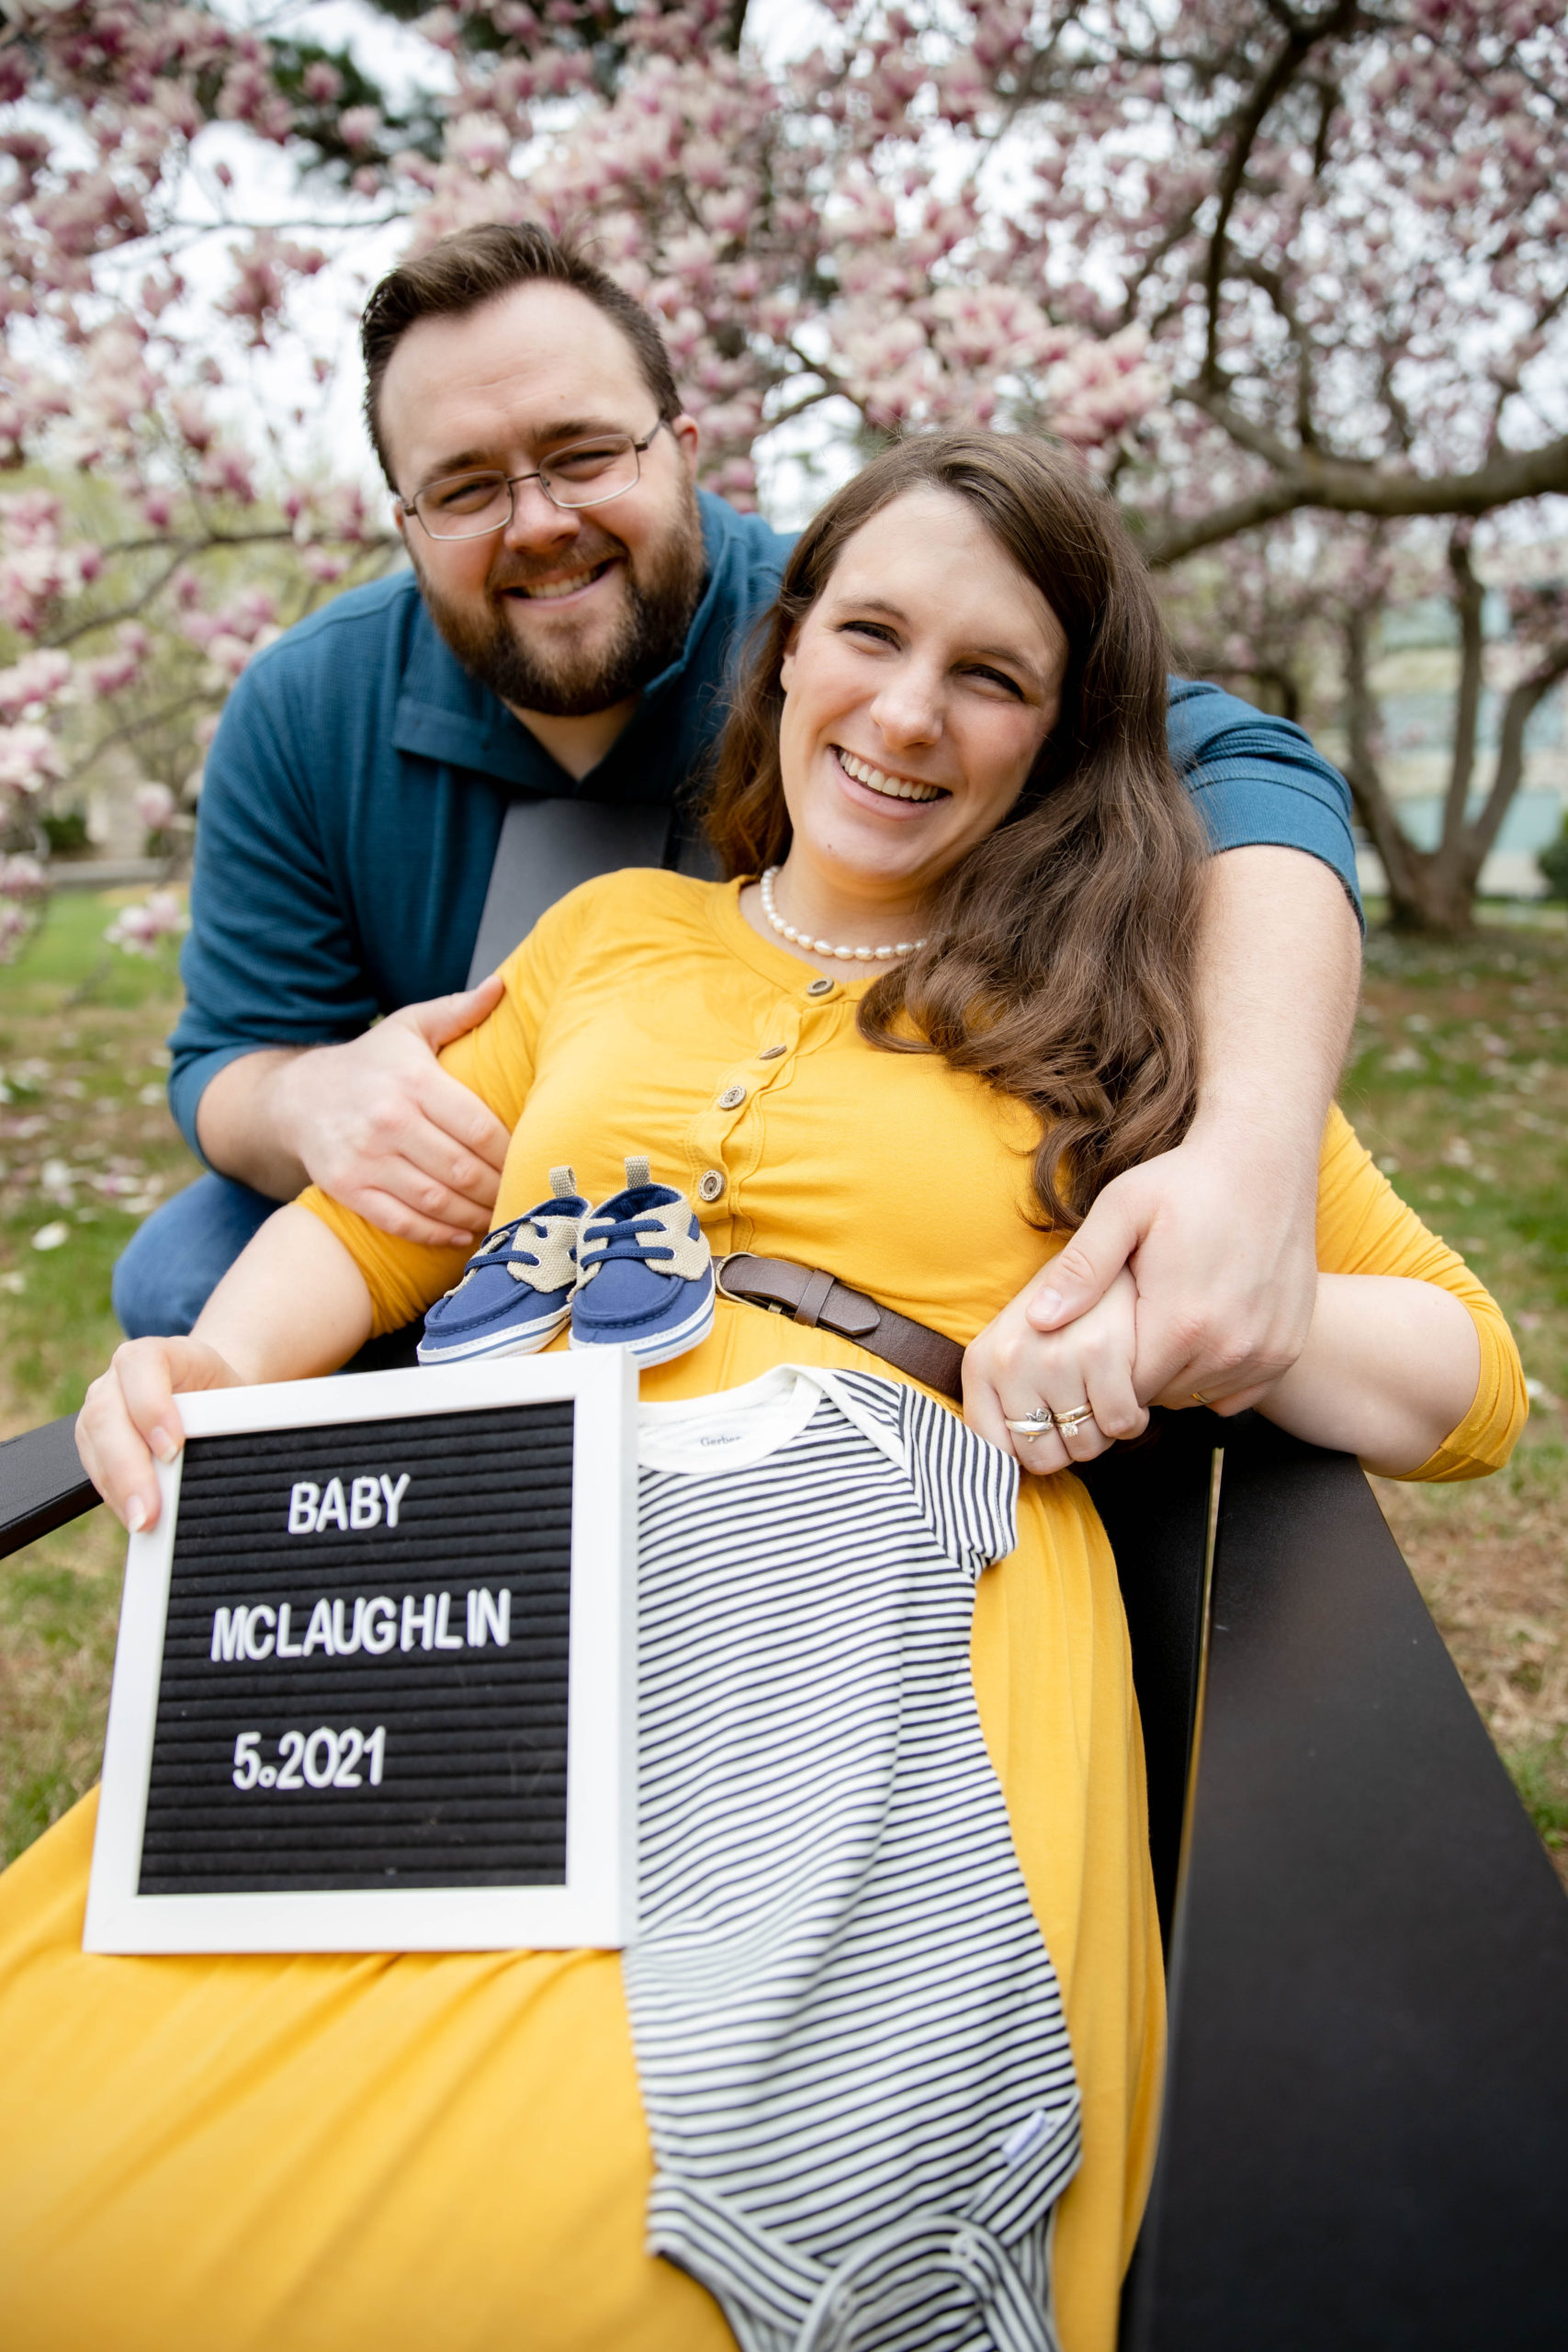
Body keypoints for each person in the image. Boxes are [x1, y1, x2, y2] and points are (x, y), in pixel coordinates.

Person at [6, 433, 1522, 2352]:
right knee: (82, 2120)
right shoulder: (609, 941)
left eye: (990, 675)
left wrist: (1198, 1314)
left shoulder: (1130, 1014)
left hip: (858, 1638)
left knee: (585, 2235)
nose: (907, 713)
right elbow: (375, 1225)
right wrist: (213, 1360)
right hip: (477, 1590)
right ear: (788, 646)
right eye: (869, 635)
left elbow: (1469, 1378)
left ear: (1060, 736)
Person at [111, 223, 1365, 1440]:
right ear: (407, 520)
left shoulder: (851, 636)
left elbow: (1246, 771)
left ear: (683, 449)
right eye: (467, 488)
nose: (538, 522)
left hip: (804, 1238)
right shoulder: (305, 706)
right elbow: (225, 1058)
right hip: (479, 1191)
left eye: (584, 455)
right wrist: (309, 1099)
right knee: (184, 1274)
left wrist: (1250, 1160)